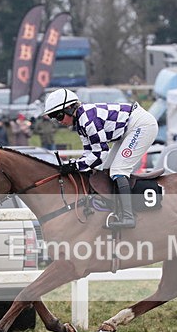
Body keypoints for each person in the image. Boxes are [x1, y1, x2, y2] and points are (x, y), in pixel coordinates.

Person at [43, 88, 158, 229]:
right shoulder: (80, 123)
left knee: (118, 170)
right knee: (106, 169)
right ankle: (116, 208)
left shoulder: (87, 120)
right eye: (54, 117)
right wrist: (72, 163)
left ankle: (128, 216)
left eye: (59, 116)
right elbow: (89, 154)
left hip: (142, 125)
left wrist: (75, 166)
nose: (58, 121)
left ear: (69, 108)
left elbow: (100, 154)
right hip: (128, 130)